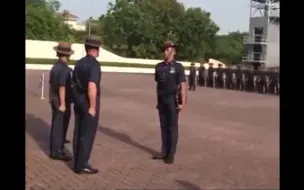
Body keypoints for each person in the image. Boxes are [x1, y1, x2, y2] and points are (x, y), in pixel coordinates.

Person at [152, 40, 187, 164]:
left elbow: (182, 85)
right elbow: (159, 82)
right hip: (161, 99)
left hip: (173, 100)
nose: (165, 51)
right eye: (165, 49)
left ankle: (171, 153)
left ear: (173, 52)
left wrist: (183, 102)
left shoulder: (178, 67)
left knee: (172, 127)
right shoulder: (159, 66)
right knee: (163, 126)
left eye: (168, 49)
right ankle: (164, 151)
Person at [72, 35, 102, 174]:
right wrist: (93, 106)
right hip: (87, 101)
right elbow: (92, 85)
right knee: (87, 133)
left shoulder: (79, 63)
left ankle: (77, 161)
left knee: (78, 131)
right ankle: (82, 163)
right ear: (96, 49)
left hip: (78, 100)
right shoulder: (94, 65)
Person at [49, 42, 74, 161]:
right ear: (68, 55)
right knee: (59, 125)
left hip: (55, 98)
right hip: (60, 99)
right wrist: (63, 103)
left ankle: (58, 145)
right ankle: (57, 151)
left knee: (57, 124)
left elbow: (52, 84)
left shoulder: (55, 67)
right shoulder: (64, 69)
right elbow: (62, 86)